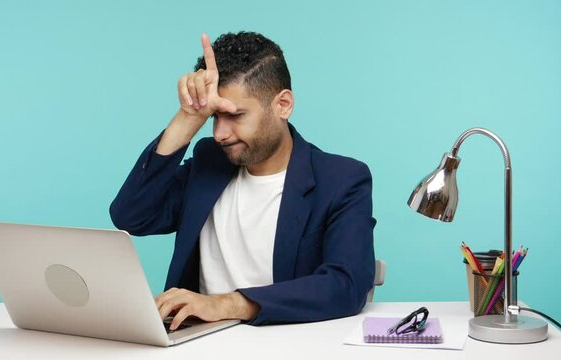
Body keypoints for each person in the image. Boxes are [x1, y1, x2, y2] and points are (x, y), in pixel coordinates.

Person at [110, 31, 376, 330]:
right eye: (214, 117)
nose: (219, 133)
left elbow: (347, 284)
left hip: (287, 340)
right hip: (199, 343)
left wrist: (227, 303)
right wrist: (188, 117)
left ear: (283, 104)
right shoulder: (210, 164)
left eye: (235, 115)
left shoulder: (341, 179)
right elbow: (132, 216)